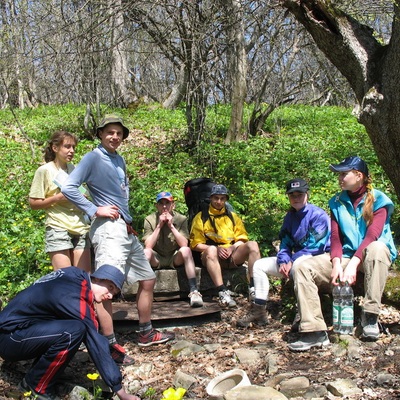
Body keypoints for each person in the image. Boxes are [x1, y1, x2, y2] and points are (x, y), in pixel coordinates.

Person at [62, 114, 174, 363]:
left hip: (124, 228)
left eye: (119, 133)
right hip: (108, 229)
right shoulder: (93, 157)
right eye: (110, 132)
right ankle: (109, 345)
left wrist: (127, 222)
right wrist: (94, 209)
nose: (114, 137)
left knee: (147, 278)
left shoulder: (119, 159)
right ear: (101, 134)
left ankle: (145, 332)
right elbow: (69, 187)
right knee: (104, 287)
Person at [288, 156, 397, 351]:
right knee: (303, 266)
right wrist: (337, 263)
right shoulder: (336, 202)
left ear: (358, 175)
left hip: (372, 256)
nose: (339, 178)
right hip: (346, 256)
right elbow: (336, 238)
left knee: (378, 248)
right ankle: (314, 330)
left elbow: (373, 235)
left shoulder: (379, 199)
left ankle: (370, 316)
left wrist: (354, 264)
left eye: (343, 174)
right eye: (339, 174)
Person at [0, 264, 141, 400]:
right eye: (110, 287)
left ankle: (41, 373)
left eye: (114, 293)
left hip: (16, 332)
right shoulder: (75, 295)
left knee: (72, 327)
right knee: (74, 330)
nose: (110, 295)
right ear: (97, 278)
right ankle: (36, 386)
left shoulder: (73, 275)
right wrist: (120, 390)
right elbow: (95, 340)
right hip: (11, 337)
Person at [237, 178, 331, 328]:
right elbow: (285, 242)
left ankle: (302, 313)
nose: (296, 198)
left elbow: (316, 247)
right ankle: (259, 310)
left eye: (299, 194)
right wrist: (283, 260)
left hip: (316, 260)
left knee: (300, 264)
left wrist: (292, 261)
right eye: (292, 195)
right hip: (295, 260)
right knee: (259, 265)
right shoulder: (290, 216)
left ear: (307, 194)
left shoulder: (318, 216)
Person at [190, 184, 261, 308]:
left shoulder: (232, 216)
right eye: (216, 198)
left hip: (232, 253)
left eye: (222, 198)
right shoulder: (200, 217)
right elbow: (196, 244)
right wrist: (217, 249)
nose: (219, 201)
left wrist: (232, 248)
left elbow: (242, 239)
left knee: (253, 245)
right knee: (211, 249)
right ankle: (222, 291)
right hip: (211, 257)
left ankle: (254, 288)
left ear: (226, 199)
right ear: (211, 198)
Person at [29, 130, 91, 272]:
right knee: (65, 279)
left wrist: (82, 197)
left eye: (73, 147)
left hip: (80, 227)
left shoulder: (74, 169)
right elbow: (33, 203)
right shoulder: (44, 171)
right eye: (67, 147)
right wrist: (58, 198)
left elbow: (81, 192)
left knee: (84, 278)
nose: (71, 151)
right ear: (55, 148)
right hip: (57, 227)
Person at [143, 191, 203, 307]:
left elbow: (184, 244)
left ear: (173, 205)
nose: (164, 206)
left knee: (186, 250)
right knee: (146, 252)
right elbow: (148, 246)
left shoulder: (181, 219)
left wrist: (171, 226)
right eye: (161, 203)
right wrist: (159, 226)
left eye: (167, 203)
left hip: (174, 257)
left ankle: (194, 291)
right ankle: (145, 292)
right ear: (157, 206)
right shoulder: (149, 219)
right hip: (157, 257)